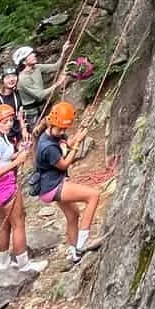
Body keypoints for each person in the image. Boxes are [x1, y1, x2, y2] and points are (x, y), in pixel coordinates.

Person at [30, 103, 101, 264]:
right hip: (52, 187)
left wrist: (81, 131)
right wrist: (77, 145)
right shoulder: (47, 146)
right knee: (94, 196)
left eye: (64, 129)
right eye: (61, 129)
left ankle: (74, 253)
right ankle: (82, 245)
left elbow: (67, 143)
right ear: (53, 123)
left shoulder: (53, 133)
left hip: (50, 186)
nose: (63, 132)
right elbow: (64, 164)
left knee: (73, 215)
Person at [0, 104, 45, 276]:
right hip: (3, 186)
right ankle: (24, 264)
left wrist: (19, 152)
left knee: (5, 224)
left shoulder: (1, 137)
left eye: (10, 120)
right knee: (18, 223)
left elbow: (5, 158)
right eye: (4, 122)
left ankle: (4, 262)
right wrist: (17, 162)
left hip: (1, 187)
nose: (9, 124)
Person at [12, 45, 64, 133]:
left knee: (52, 130)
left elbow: (56, 67)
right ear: (24, 62)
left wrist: (63, 52)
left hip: (43, 106)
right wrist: (58, 84)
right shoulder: (22, 79)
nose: (34, 55)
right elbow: (40, 95)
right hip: (32, 114)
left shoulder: (36, 67)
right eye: (30, 55)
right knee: (38, 134)